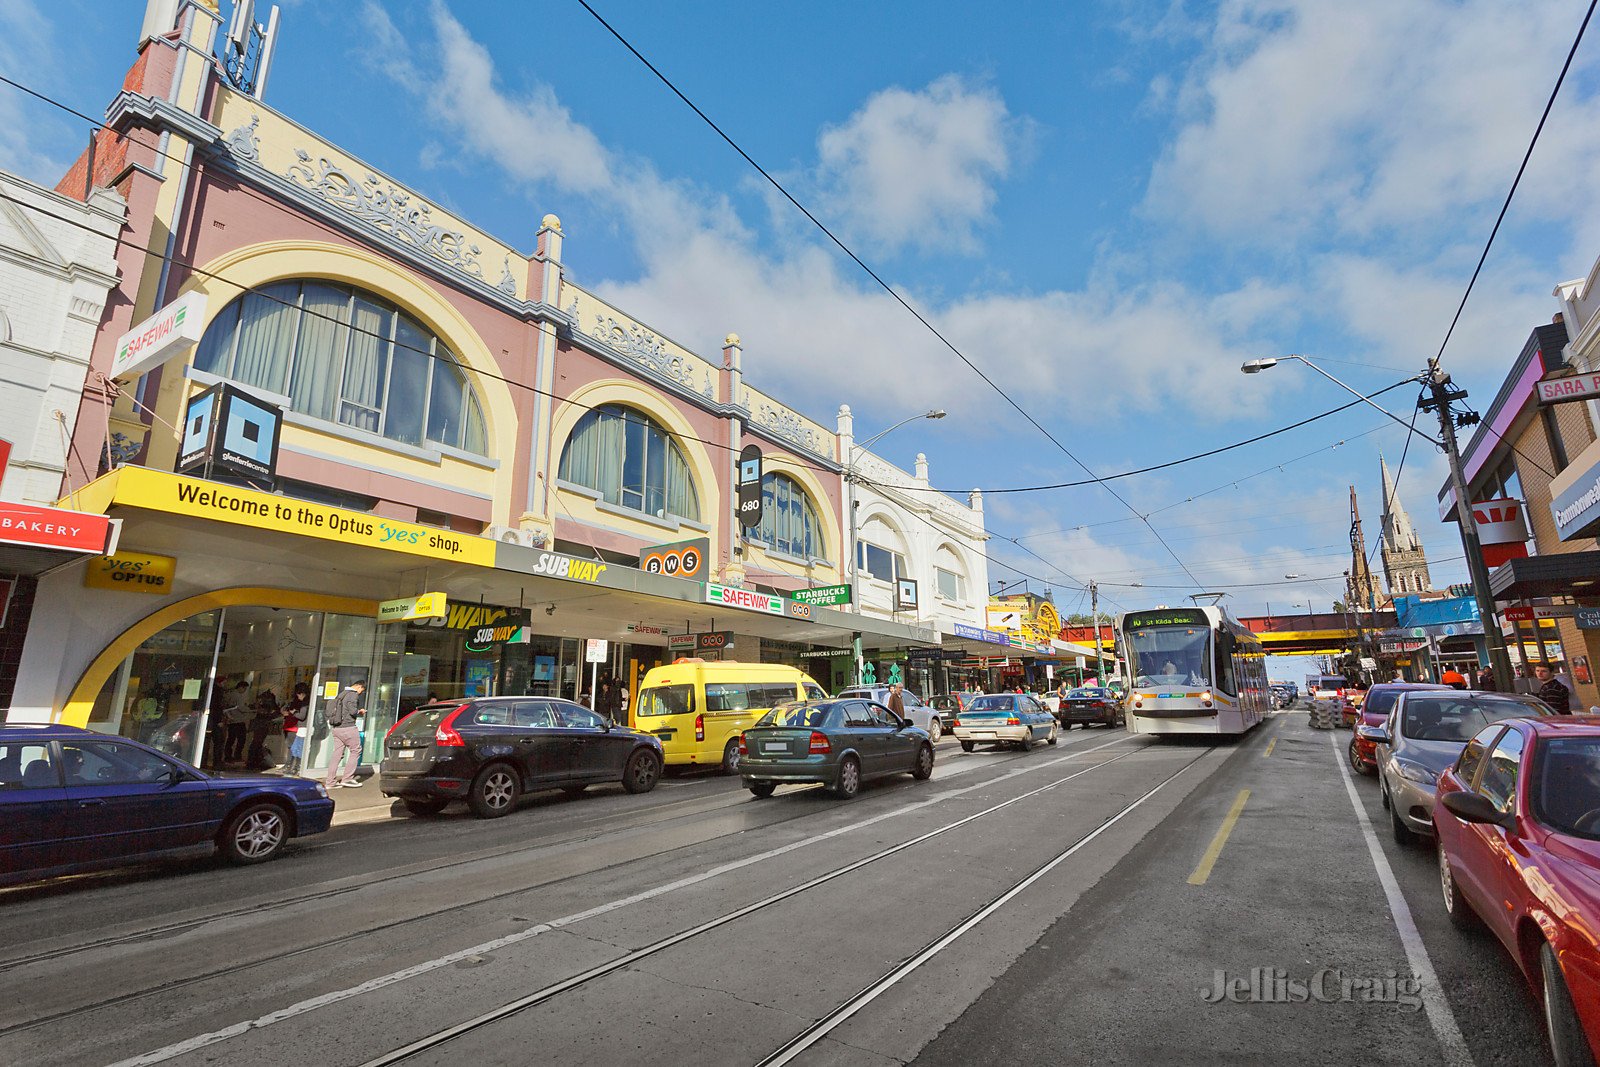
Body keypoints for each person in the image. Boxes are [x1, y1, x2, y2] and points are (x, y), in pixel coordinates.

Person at [324, 679, 367, 788]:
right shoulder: (353, 695)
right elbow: (352, 711)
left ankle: (330, 782)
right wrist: (360, 711)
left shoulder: (341, 694)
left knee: (337, 754)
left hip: (336, 728)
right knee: (356, 750)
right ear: (359, 687)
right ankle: (347, 779)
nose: (361, 692)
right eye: (362, 690)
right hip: (348, 727)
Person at [246, 689, 281, 769]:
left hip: (259, 724)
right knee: (257, 743)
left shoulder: (261, 703)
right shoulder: (268, 703)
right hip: (263, 724)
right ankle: (252, 762)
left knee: (255, 743)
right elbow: (274, 712)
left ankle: (252, 762)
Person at [282, 682, 310, 776]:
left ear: (302, 693)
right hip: (297, 728)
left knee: (296, 748)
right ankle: (294, 767)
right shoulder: (303, 702)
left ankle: (293, 767)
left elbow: (302, 716)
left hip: (299, 728)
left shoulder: (304, 703)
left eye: (298, 694)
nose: (297, 696)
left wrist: (293, 713)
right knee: (295, 748)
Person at [222, 681, 250, 763]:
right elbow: (241, 708)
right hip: (238, 720)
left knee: (231, 739)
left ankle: (228, 756)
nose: (245, 690)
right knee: (241, 739)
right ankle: (236, 756)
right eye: (244, 688)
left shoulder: (230, 695)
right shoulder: (237, 696)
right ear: (241, 687)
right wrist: (251, 710)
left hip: (233, 721)